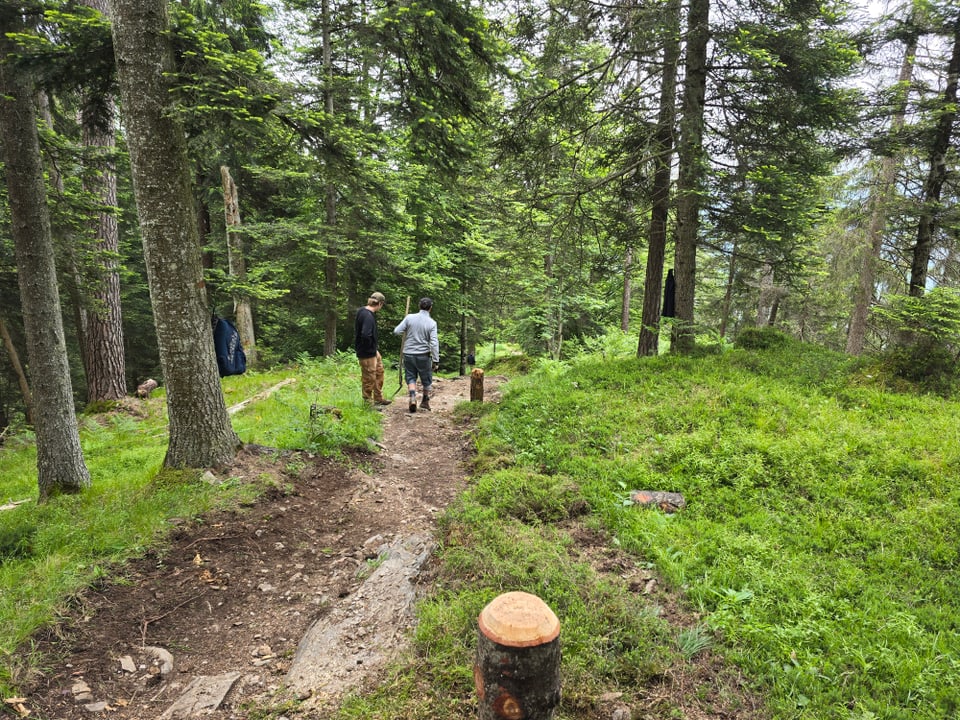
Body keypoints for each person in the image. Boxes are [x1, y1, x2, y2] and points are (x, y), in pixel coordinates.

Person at [394, 297, 439, 413]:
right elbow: (434, 343)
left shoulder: (409, 318)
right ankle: (424, 401)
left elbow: (396, 331)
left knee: (410, 376)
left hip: (408, 353)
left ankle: (413, 397)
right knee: (426, 378)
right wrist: (436, 360)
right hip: (423, 355)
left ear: (419, 306)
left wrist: (407, 329)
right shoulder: (432, 323)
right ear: (430, 308)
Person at [355, 291, 390, 406]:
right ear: (380, 303)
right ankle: (368, 403)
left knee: (379, 372)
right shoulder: (368, 315)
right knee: (369, 377)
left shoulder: (362, 311)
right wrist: (369, 347)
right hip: (367, 352)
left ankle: (378, 398)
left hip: (373, 350)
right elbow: (365, 334)